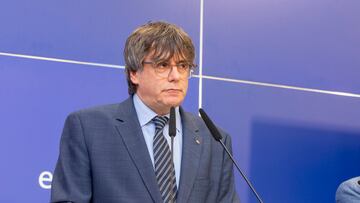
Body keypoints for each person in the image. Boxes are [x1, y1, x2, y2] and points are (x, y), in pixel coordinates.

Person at [51, 21, 239, 203]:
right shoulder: (89, 128)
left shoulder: (215, 140)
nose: (175, 76)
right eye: (163, 65)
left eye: (183, 66)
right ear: (134, 73)